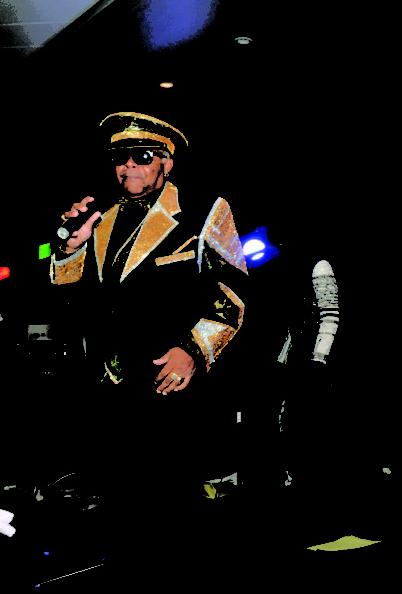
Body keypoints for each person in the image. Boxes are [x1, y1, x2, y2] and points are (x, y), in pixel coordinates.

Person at [50, 111, 252, 584]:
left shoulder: (204, 210)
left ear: (166, 162)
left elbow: (235, 294)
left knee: (171, 507)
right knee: (119, 506)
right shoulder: (100, 220)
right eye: (119, 158)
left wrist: (194, 350)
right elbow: (69, 299)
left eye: (141, 156)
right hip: (112, 388)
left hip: (171, 386)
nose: (129, 167)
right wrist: (69, 249)